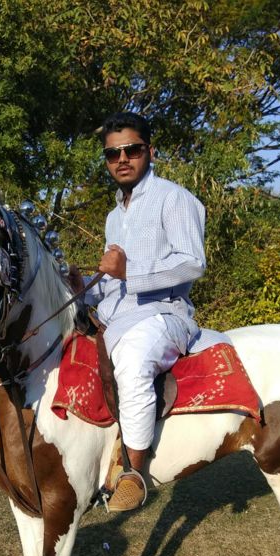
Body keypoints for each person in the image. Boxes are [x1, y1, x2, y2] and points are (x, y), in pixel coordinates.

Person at [71, 111, 206, 511]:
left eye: (132, 150)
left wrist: (130, 270)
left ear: (150, 151)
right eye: (112, 154)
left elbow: (192, 263)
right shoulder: (115, 216)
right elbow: (114, 284)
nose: (122, 159)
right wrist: (83, 291)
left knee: (131, 361)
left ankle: (133, 472)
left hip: (164, 315)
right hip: (116, 318)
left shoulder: (174, 198)